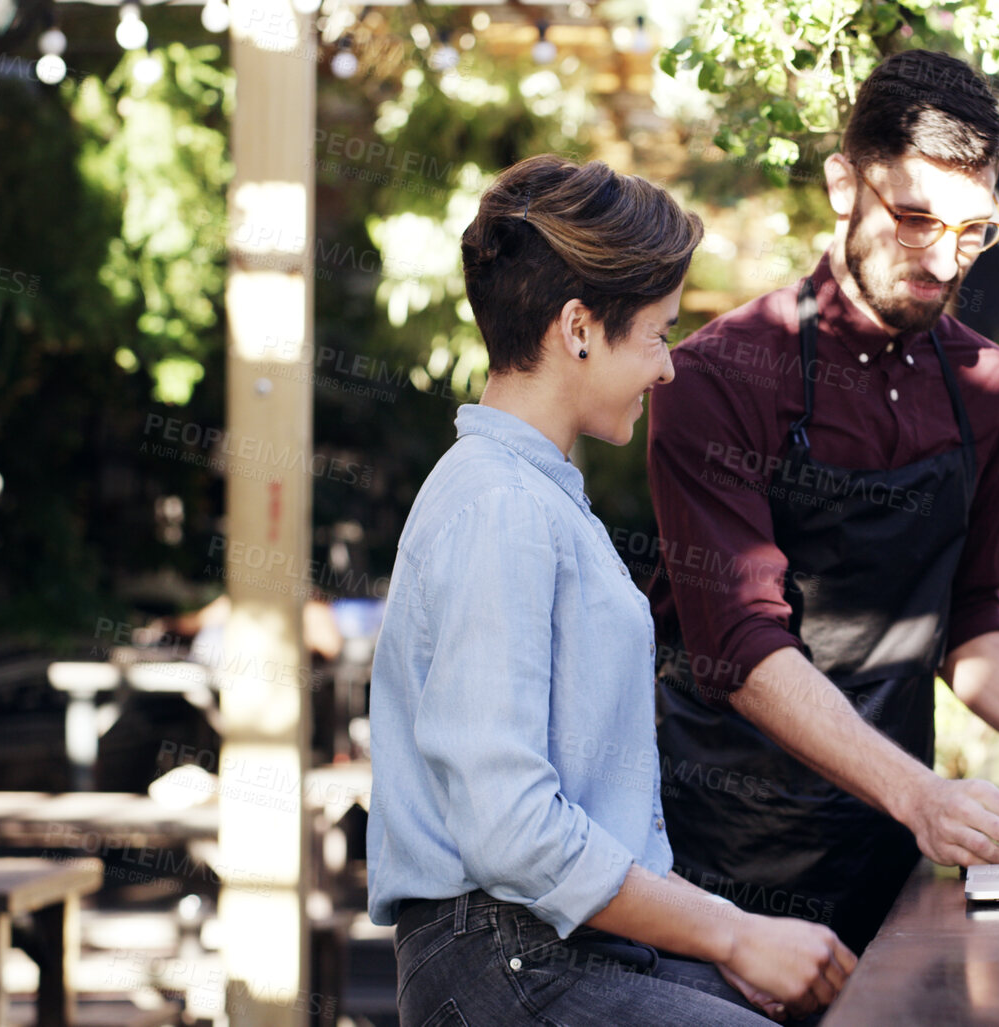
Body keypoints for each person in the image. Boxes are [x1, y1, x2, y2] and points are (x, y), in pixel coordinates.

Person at [646, 50, 999, 953]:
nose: (943, 259)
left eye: (973, 231)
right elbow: (738, 649)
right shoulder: (716, 378)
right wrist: (921, 791)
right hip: (729, 864)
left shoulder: (986, 386)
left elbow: (968, 618)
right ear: (841, 186)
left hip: (896, 853)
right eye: (912, 219)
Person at [367, 154, 854, 1027]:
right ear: (579, 327)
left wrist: (710, 944)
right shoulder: (500, 506)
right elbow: (511, 828)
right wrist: (733, 934)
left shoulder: (534, 496)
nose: (668, 368)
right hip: (502, 964)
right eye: (658, 334)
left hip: (560, 949)